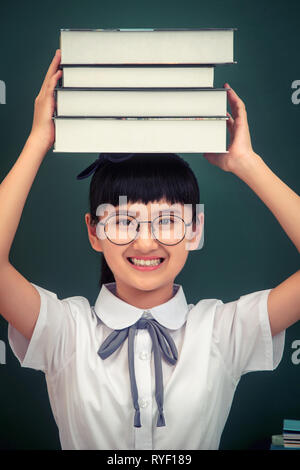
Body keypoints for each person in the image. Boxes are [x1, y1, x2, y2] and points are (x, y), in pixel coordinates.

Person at [0, 49, 299, 451]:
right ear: (93, 231)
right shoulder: (65, 331)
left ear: (196, 230)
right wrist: (38, 140)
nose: (145, 242)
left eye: (168, 221)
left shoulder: (223, 330)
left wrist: (246, 162)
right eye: (123, 221)